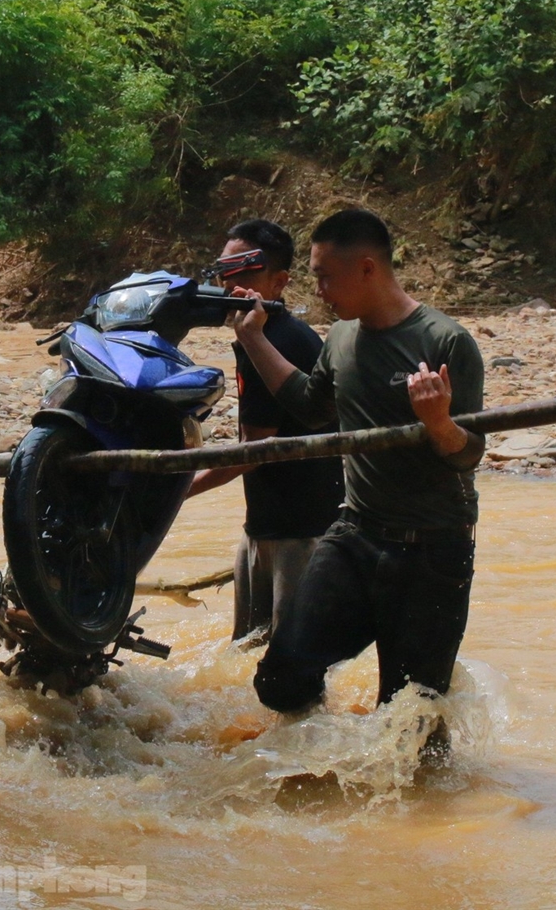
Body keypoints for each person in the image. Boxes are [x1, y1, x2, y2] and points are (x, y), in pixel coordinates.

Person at [230, 208, 485, 730]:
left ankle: (419, 808)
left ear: (367, 269)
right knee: (281, 676)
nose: (318, 289)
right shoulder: (342, 339)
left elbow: (467, 453)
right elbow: (308, 404)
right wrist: (254, 337)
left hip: (433, 547)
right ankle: (321, 768)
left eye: (325, 275)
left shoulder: (445, 342)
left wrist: (438, 422)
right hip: (356, 535)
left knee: (412, 719)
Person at [184, 219, 345, 642]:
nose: (229, 282)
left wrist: (178, 491)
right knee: (249, 650)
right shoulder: (257, 333)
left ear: (279, 283)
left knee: (291, 661)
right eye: (224, 272)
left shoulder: (280, 341)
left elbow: (255, 449)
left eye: (245, 272)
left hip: (301, 531)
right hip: (269, 523)